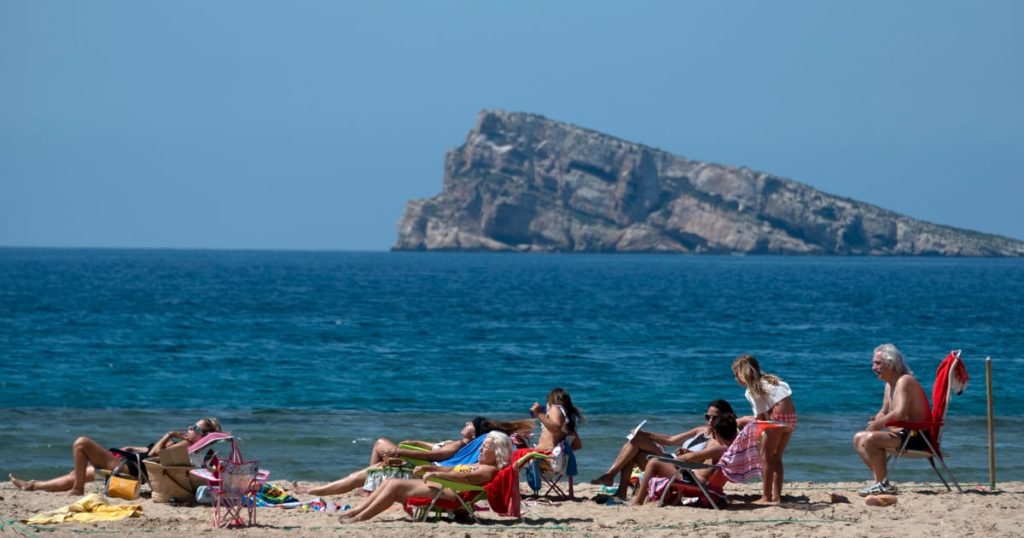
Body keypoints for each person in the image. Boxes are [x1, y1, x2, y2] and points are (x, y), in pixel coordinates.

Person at [293, 417, 531, 496]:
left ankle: (315, 492)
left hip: (426, 471)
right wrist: (414, 444)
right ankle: (360, 489)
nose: (465, 423)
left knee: (364, 473)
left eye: (469, 423)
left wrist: (399, 452)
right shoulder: (471, 450)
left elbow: (438, 456)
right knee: (365, 472)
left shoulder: (463, 446)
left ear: (476, 432)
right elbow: (435, 451)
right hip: (430, 469)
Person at [8, 417, 222, 496]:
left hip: (131, 469)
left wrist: (167, 435)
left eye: (194, 427)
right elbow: (152, 453)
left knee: (81, 443)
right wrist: (134, 447)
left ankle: (77, 490)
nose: (189, 427)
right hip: (133, 463)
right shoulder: (185, 445)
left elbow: (155, 454)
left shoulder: (185, 444)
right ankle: (32, 486)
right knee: (78, 472)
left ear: (202, 436)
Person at [338, 430, 514, 523]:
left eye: (486, 448)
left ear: (497, 452)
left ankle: (360, 518)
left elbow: (461, 478)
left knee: (394, 486)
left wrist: (434, 474)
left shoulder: (489, 470)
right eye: (482, 446)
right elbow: (453, 471)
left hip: (454, 493)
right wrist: (427, 468)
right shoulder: (478, 465)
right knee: (390, 481)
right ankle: (356, 511)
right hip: (445, 486)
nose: (481, 450)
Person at [589, 399, 737, 501]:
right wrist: (643, 433)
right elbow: (670, 440)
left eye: (714, 418)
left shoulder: (717, 441)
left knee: (636, 443)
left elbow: (704, 461)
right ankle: (620, 491)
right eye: (707, 417)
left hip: (681, 467)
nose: (710, 421)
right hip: (674, 460)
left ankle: (611, 477)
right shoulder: (701, 430)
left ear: (723, 418)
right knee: (634, 446)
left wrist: (688, 454)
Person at [852, 343, 931, 496]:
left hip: (917, 437)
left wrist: (878, 424)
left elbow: (900, 413)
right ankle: (880, 482)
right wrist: (875, 422)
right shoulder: (890, 384)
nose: (873, 367)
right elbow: (884, 411)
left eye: (878, 363)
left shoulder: (905, 381)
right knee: (858, 438)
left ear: (891, 363)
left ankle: (882, 484)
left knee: (871, 439)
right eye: (873, 363)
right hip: (903, 435)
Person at [631, 414, 738, 506]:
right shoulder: (731, 449)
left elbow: (686, 458)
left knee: (654, 462)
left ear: (717, 432)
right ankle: (650, 498)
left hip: (696, 482)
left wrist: (674, 459)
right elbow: (700, 460)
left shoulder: (719, 448)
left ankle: (638, 501)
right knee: (659, 462)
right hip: (701, 480)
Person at [732, 354, 796, 504]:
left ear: (742, 374)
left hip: (777, 421)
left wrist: (742, 422)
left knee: (765, 457)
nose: (735, 378)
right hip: (791, 420)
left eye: (735, 375)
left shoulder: (753, 389)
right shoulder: (773, 381)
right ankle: (776, 496)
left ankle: (766, 497)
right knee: (776, 458)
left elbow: (761, 419)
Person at [531, 387, 585, 452]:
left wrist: (539, 413)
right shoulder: (565, 420)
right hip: (555, 456)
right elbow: (577, 445)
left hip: (546, 455)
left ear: (550, 402)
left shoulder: (555, 408)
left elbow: (556, 429)